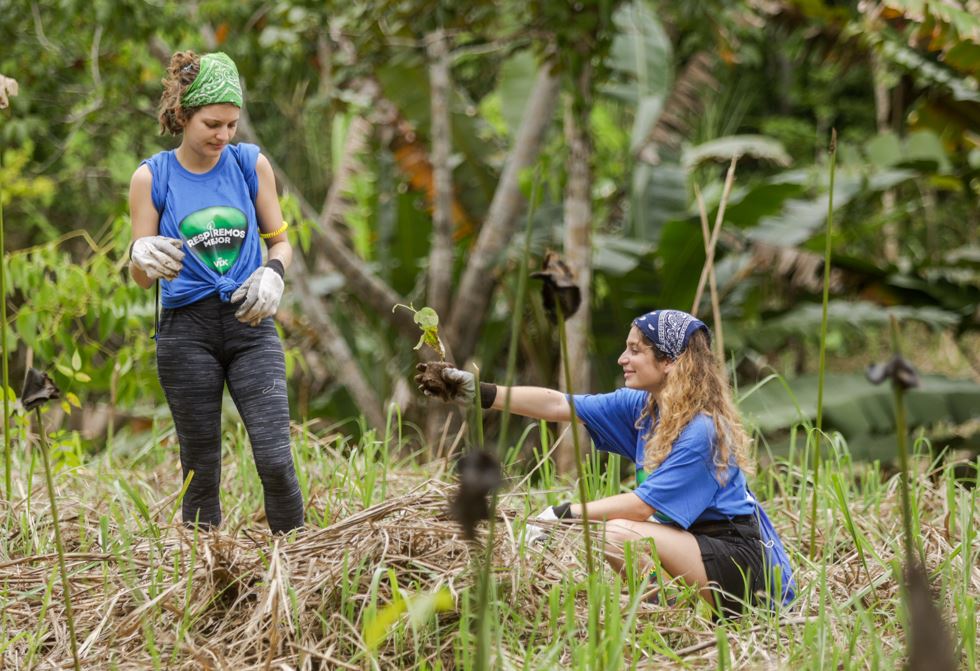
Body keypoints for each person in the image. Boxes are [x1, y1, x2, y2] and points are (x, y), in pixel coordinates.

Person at [417, 309, 794, 616]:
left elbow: (643, 506)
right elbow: (557, 403)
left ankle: (672, 621)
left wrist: (561, 513)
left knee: (618, 535)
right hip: (695, 544)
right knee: (612, 533)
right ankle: (669, 616)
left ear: (668, 361)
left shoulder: (703, 432)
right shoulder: (645, 409)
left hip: (741, 559)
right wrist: (473, 390)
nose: (622, 359)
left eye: (635, 350)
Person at [128, 51, 304, 534]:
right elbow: (142, 277)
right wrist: (140, 254)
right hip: (187, 333)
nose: (223, 136)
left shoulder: (250, 165)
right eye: (212, 123)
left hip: (250, 324)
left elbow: (282, 242)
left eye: (232, 124)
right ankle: (205, 574)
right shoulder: (153, 176)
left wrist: (273, 273)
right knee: (200, 467)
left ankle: (296, 564)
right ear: (183, 115)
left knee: (274, 458)